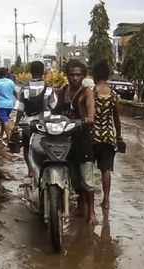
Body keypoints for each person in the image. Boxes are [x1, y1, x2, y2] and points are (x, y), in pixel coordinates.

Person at [53, 59, 97, 226]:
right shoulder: (63, 90)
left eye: (79, 74)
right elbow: (56, 110)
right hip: (65, 138)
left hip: (83, 138)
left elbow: (90, 106)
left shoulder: (87, 92)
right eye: (72, 74)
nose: (75, 77)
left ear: (83, 75)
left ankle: (91, 211)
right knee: (73, 177)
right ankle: (80, 199)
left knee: (86, 177)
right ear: (67, 75)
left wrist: (89, 117)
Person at [12, 61, 58, 176]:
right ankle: (46, 168)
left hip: (28, 124)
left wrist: (15, 124)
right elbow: (54, 106)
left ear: (31, 72)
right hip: (46, 124)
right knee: (47, 146)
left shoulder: (24, 88)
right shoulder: (49, 89)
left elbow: (20, 109)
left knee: (27, 147)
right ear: (43, 72)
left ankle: (30, 171)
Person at [91, 60, 126, 210]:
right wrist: (119, 137)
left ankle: (88, 203)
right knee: (106, 170)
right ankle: (106, 200)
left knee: (87, 170)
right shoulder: (113, 95)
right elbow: (116, 119)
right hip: (108, 137)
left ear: (95, 75)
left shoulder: (91, 93)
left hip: (92, 137)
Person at [0, 68, 18, 141]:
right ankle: (0, 134)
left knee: (4, 121)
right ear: (6, 74)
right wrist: (18, 101)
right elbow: (15, 93)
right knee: (3, 119)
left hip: (1, 104)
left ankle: (9, 138)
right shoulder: (11, 82)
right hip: (10, 104)